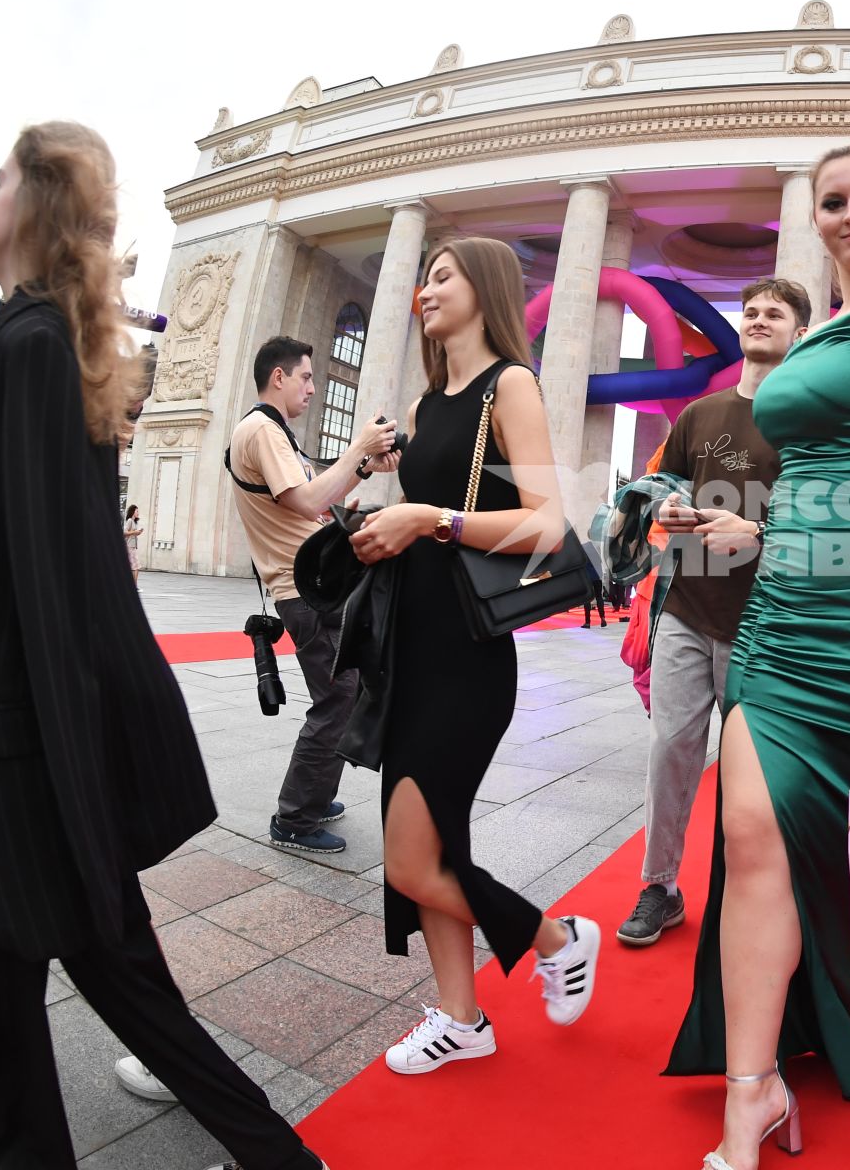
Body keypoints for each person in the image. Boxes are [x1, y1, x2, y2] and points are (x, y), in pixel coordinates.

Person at [0, 121, 329, 1170]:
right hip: (7, 754)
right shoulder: (32, 342)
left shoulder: (33, 350)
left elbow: (62, 595)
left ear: (40, 205)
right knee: (103, 990)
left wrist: (79, 791)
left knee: (4, 1015)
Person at [666, 144, 850, 1170]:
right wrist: (754, 536)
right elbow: (809, 473)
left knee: (847, 845)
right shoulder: (824, 328)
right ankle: (751, 1091)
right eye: (831, 200)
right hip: (779, 610)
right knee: (750, 829)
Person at [347, 236, 601, 1073]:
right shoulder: (427, 405)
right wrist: (387, 526)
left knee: (412, 860)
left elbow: (545, 522)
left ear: (485, 289)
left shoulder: (510, 385)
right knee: (437, 851)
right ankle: (463, 1019)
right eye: (424, 277)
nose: (425, 289)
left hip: (466, 657)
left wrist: (427, 519)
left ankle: (558, 937)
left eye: (444, 275)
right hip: (408, 647)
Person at [619, 277, 808, 948]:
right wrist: (665, 508)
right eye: (751, 311)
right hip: (686, 608)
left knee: (752, 766)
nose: (759, 320)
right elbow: (659, 484)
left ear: (798, 334)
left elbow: (821, 518)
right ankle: (658, 886)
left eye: (774, 314)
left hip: (762, 620)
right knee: (671, 746)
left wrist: (756, 533)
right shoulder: (700, 412)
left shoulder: (806, 418)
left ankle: (751, 890)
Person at [227, 335, 399, 855]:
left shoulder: (275, 433)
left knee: (344, 695)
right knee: (336, 701)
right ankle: (295, 818)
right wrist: (358, 450)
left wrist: (363, 467)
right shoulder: (260, 429)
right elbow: (306, 502)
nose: (313, 386)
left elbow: (324, 504)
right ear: (277, 377)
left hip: (314, 588)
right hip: (305, 592)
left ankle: (315, 796)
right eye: (305, 376)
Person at [124, 502, 144, 577]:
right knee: (136, 567)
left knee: (134, 567)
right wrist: (135, 532)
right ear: (133, 512)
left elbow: (132, 534)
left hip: (132, 546)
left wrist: (139, 532)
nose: (138, 513)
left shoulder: (134, 522)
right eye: (137, 511)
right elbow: (124, 532)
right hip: (129, 546)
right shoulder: (129, 520)